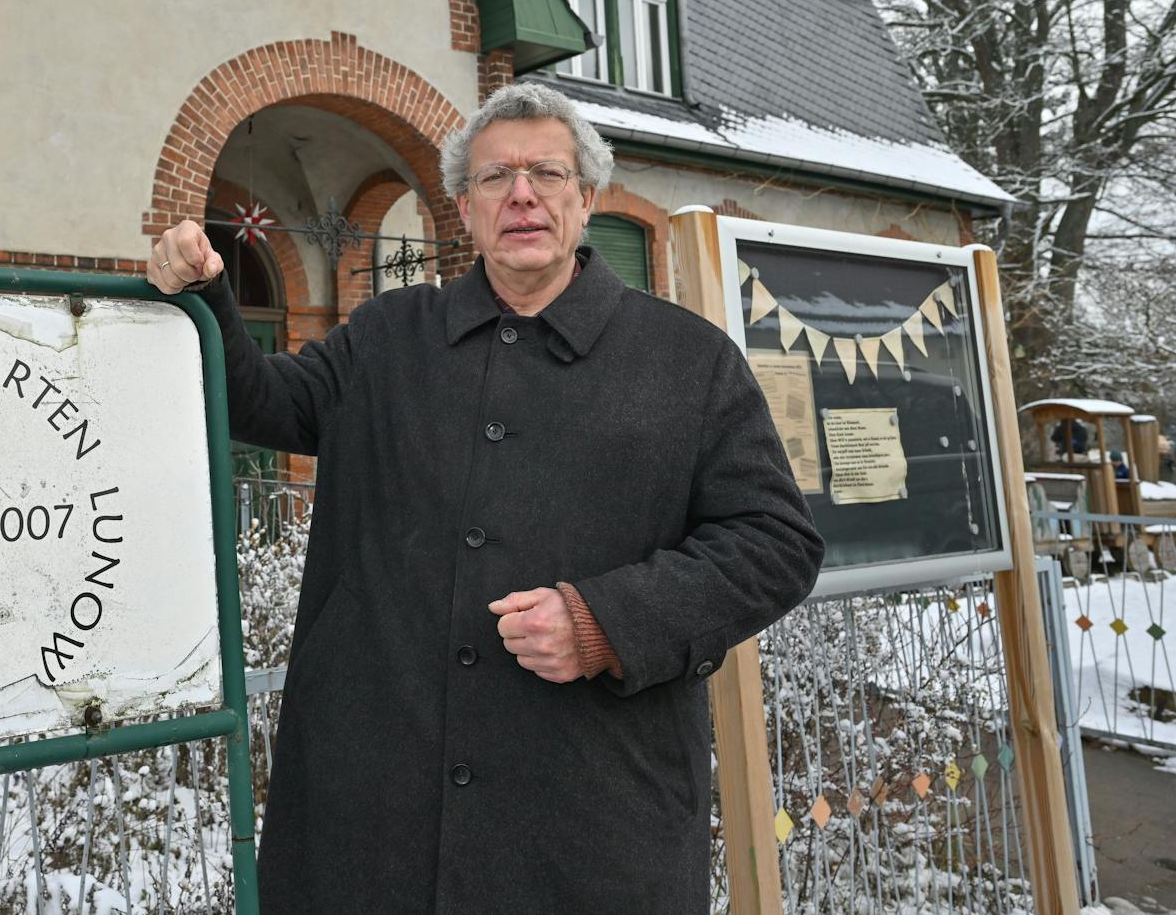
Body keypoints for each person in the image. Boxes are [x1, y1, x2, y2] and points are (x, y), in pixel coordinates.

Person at [148, 82, 824, 913]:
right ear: (464, 209)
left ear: (587, 197)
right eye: (496, 178)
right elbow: (263, 399)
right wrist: (202, 291)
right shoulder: (388, 337)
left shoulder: (687, 360)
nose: (523, 194)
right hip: (374, 825)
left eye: (547, 171)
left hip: (589, 831)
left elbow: (775, 542)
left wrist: (604, 622)